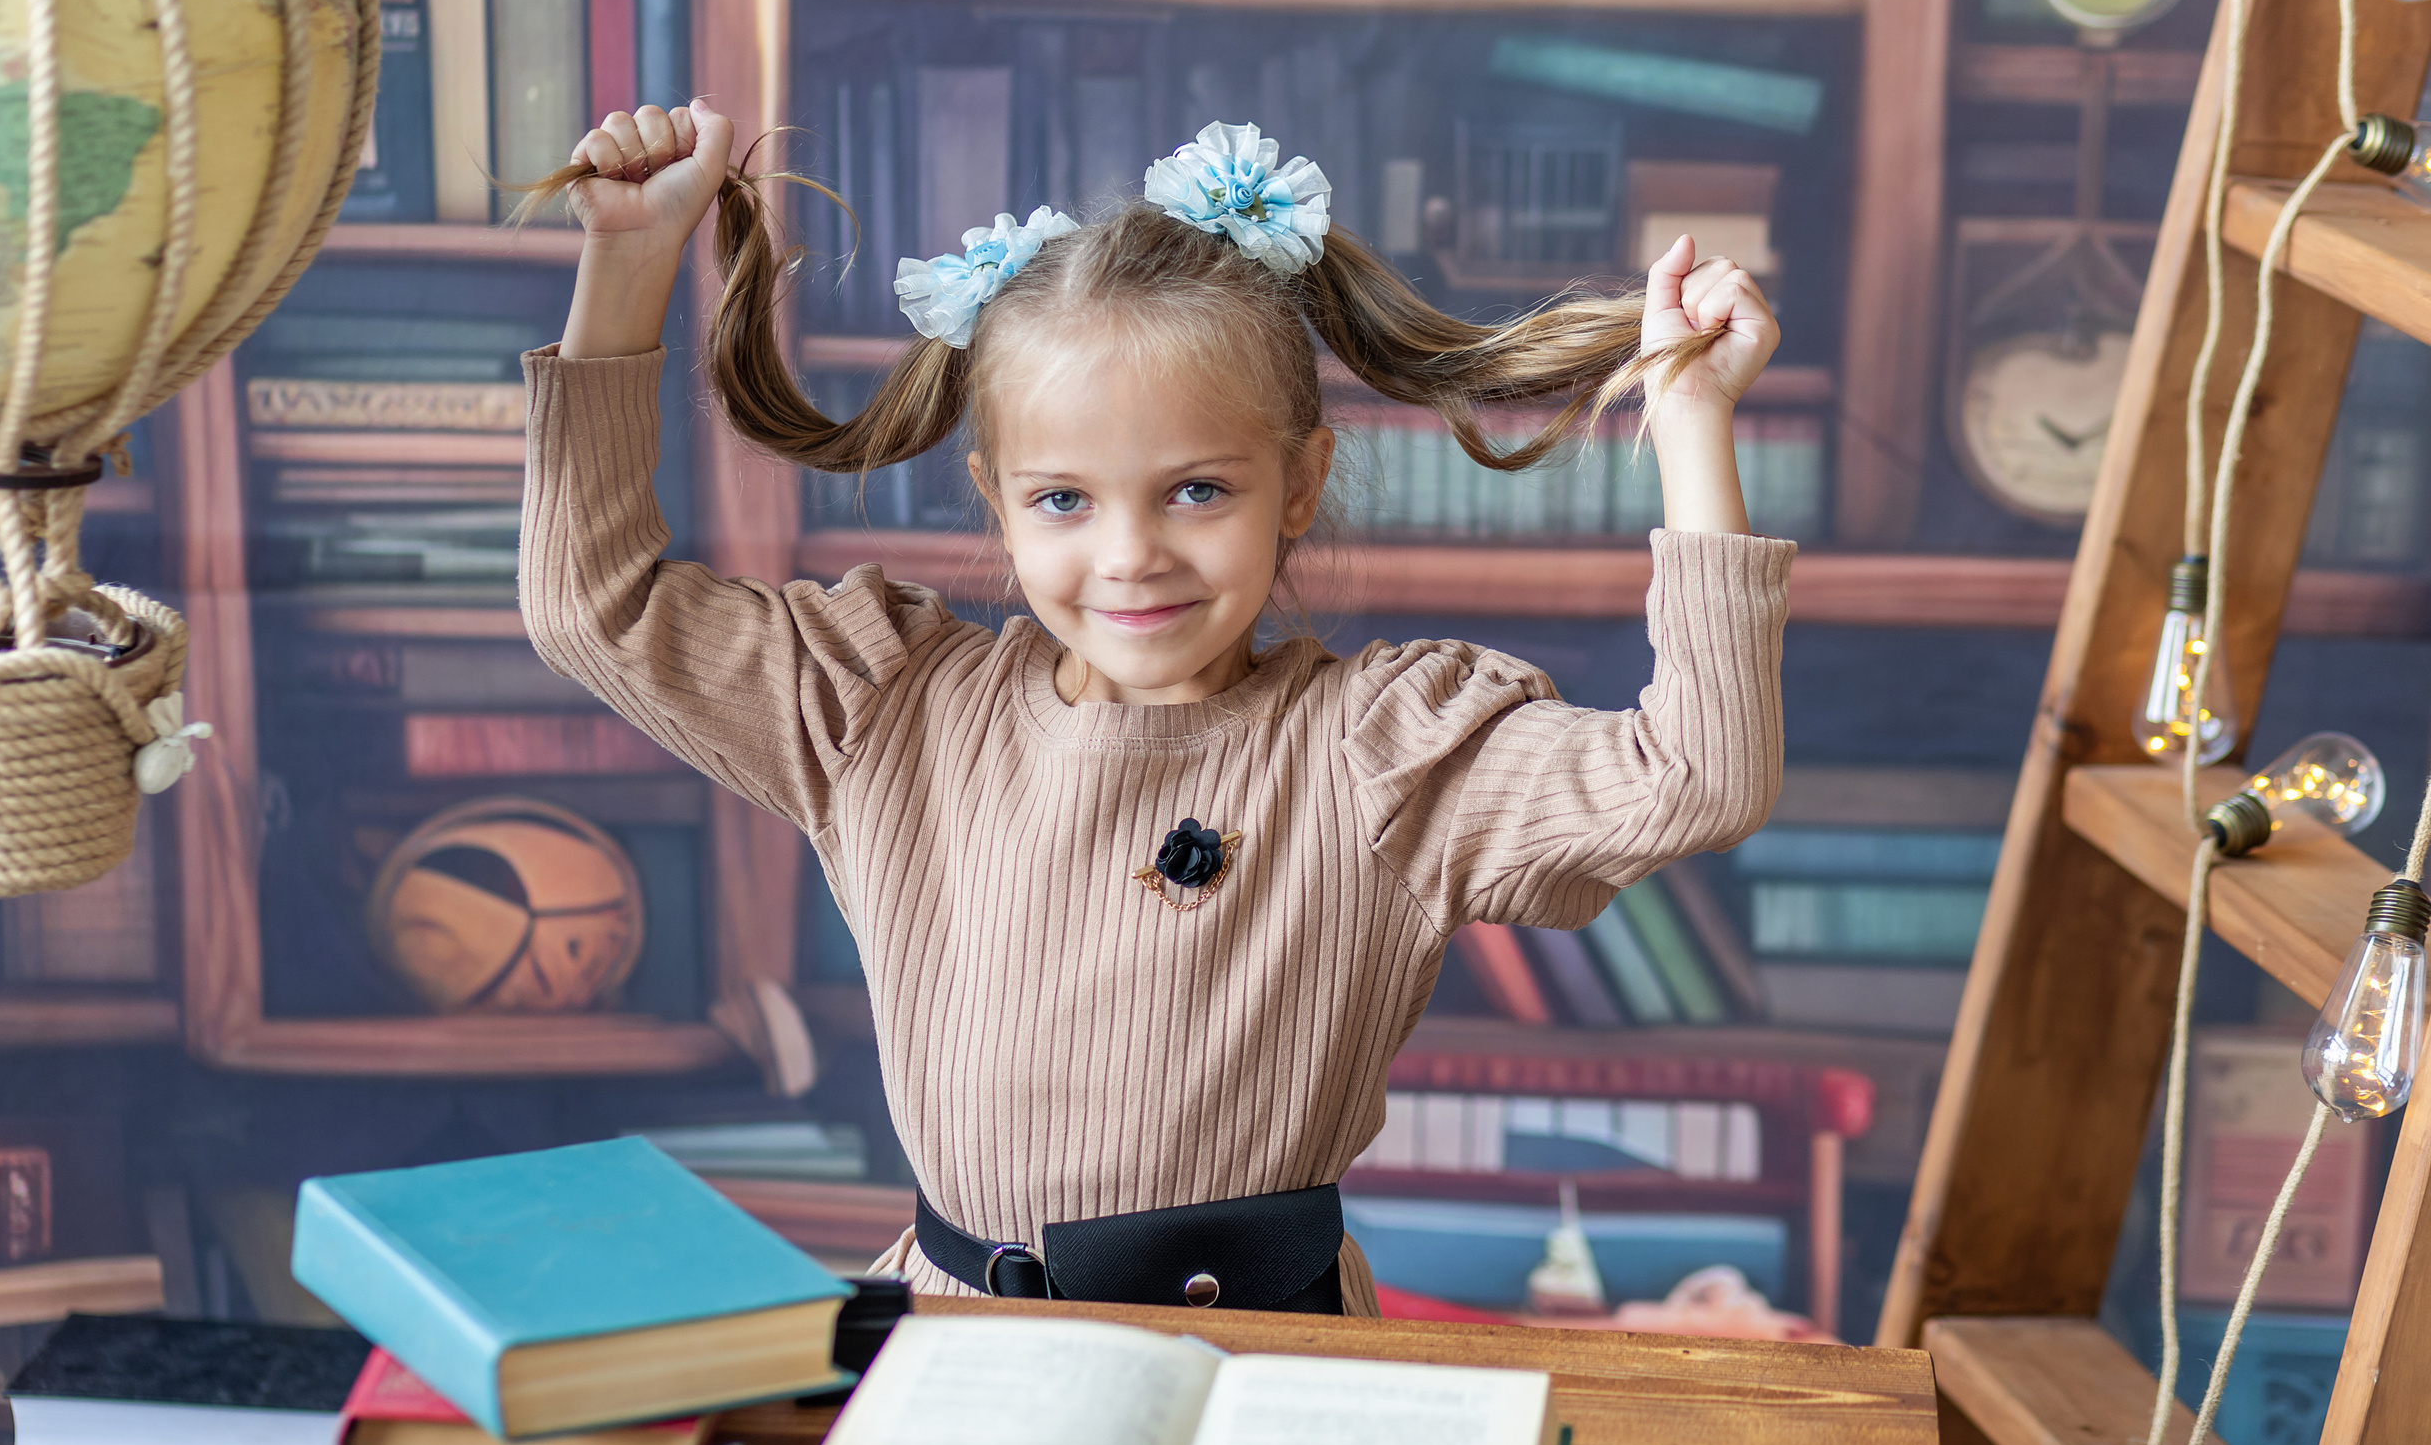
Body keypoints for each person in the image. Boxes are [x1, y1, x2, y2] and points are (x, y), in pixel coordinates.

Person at [520, 98, 1790, 1316]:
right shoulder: (882, 711)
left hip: (1256, 1352)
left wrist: (1687, 422)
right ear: (997, 500)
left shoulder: (1383, 754)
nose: (1129, 556)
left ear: (1299, 485)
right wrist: (629, 263)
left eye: (1195, 491)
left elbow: (1698, 779)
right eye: (1063, 500)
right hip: (958, 1337)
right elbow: (595, 603)